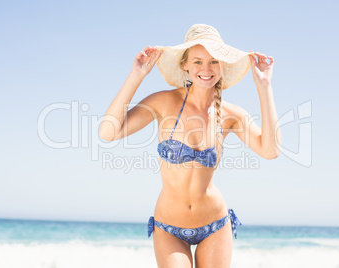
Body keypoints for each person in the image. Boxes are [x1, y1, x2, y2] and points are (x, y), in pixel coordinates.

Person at [99, 24, 281, 268]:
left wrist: (264, 86)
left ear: (222, 66)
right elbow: (108, 132)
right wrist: (137, 75)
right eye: (197, 62)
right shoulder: (164, 102)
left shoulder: (231, 115)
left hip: (215, 225)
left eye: (214, 61)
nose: (206, 69)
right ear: (185, 65)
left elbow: (270, 151)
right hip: (170, 228)